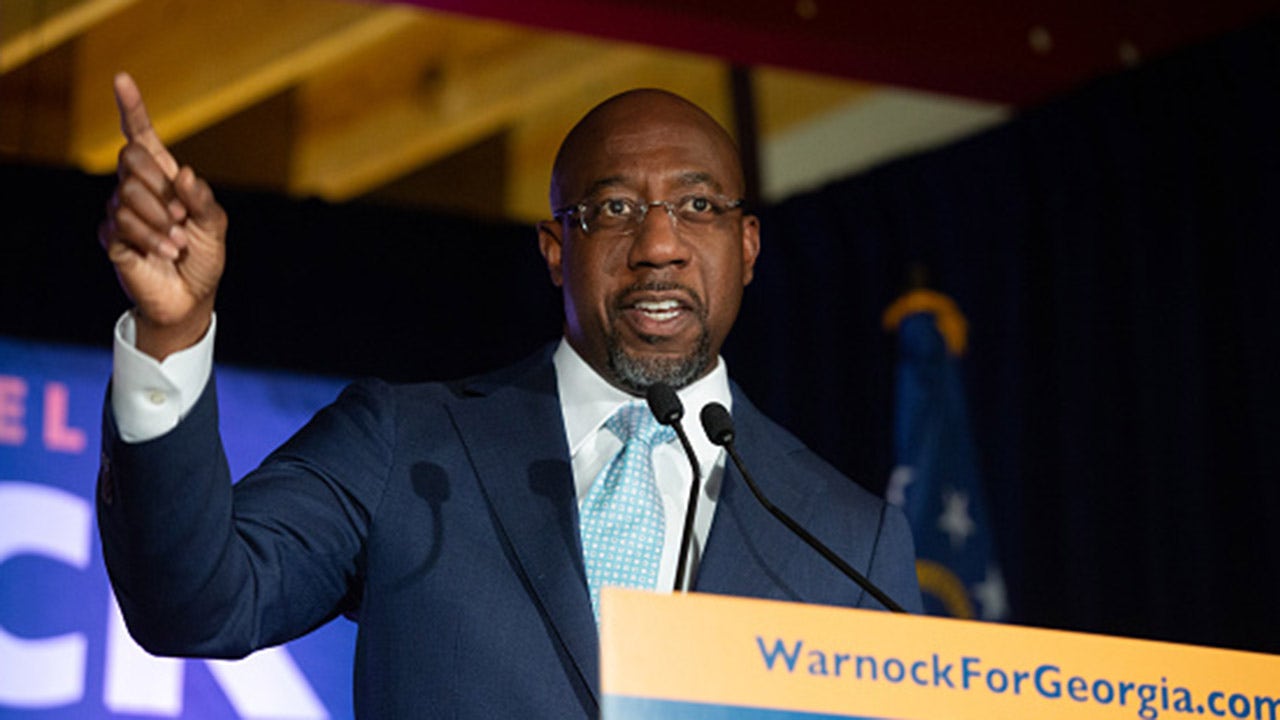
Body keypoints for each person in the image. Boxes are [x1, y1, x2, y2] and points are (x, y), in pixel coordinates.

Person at [96, 72, 922, 718]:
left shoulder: (847, 541)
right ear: (557, 249)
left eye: (697, 205)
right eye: (615, 207)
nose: (659, 244)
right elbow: (195, 603)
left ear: (747, 246)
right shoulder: (403, 445)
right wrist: (172, 331)